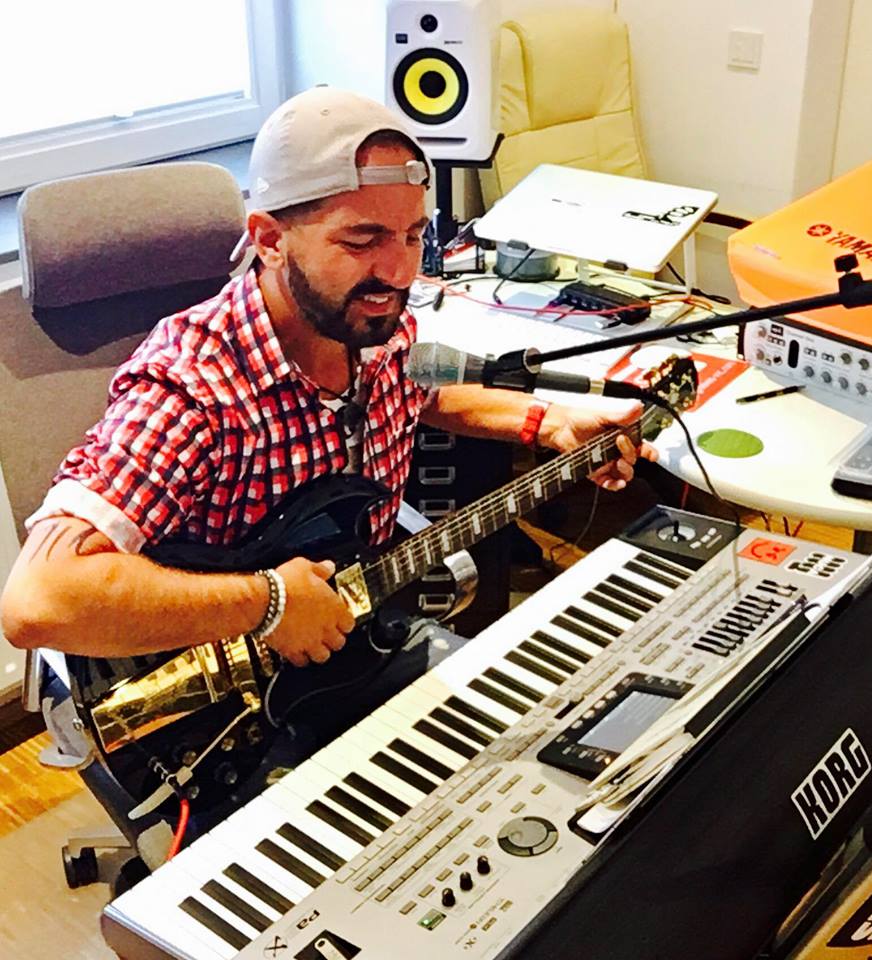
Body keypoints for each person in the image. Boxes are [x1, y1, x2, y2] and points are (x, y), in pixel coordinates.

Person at [0, 87, 653, 836]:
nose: (397, 271)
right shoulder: (195, 386)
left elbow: (419, 394)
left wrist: (548, 421)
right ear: (269, 239)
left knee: (536, 786)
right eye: (361, 239)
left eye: (412, 235)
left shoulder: (372, 322)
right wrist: (268, 602)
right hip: (222, 718)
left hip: (353, 640)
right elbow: (39, 601)